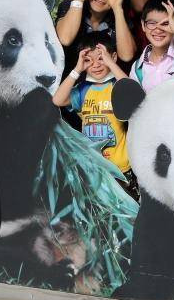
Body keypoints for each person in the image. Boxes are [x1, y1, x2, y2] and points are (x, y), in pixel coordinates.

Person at [52, 32, 138, 201]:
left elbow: (133, 93)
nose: (96, 65)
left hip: (121, 169)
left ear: (112, 56)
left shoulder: (117, 86)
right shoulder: (83, 90)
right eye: (89, 60)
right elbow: (57, 100)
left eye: (101, 58)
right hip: (93, 170)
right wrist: (77, 69)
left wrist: (111, 63)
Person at [56, 0, 137, 65]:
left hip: (106, 80)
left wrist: (117, 9)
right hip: (70, 78)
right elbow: (65, 39)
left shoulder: (120, 18)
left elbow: (127, 56)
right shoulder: (71, 5)